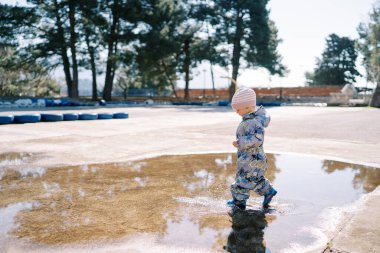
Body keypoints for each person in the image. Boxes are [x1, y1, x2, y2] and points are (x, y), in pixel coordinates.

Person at [226, 87, 277, 210]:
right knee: (254, 179)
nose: (236, 111)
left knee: (242, 181)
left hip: (253, 160)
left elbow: (257, 139)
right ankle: (268, 191)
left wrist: (240, 143)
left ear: (248, 107)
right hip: (250, 158)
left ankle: (239, 202)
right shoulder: (249, 120)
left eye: (238, 109)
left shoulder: (253, 122)